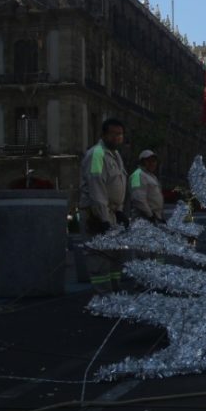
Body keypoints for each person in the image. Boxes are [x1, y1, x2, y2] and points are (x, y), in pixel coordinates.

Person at [78, 117, 128, 293]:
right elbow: (96, 186)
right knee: (99, 256)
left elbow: (118, 184)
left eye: (120, 134)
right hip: (96, 213)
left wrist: (120, 211)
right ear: (103, 135)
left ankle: (115, 291)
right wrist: (104, 219)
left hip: (111, 212)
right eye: (113, 134)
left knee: (114, 253)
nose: (117, 138)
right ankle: (104, 295)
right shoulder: (97, 154)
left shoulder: (115, 155)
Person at [129, 150, 166, 223]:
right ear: (142, 162)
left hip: (154, 219)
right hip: (143, 220)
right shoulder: (138, 175)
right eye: (148, 161)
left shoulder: (152, 176)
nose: (152, 163)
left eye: (154, 161)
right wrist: (150, 216)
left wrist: (161, 217)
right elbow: (138, 199)